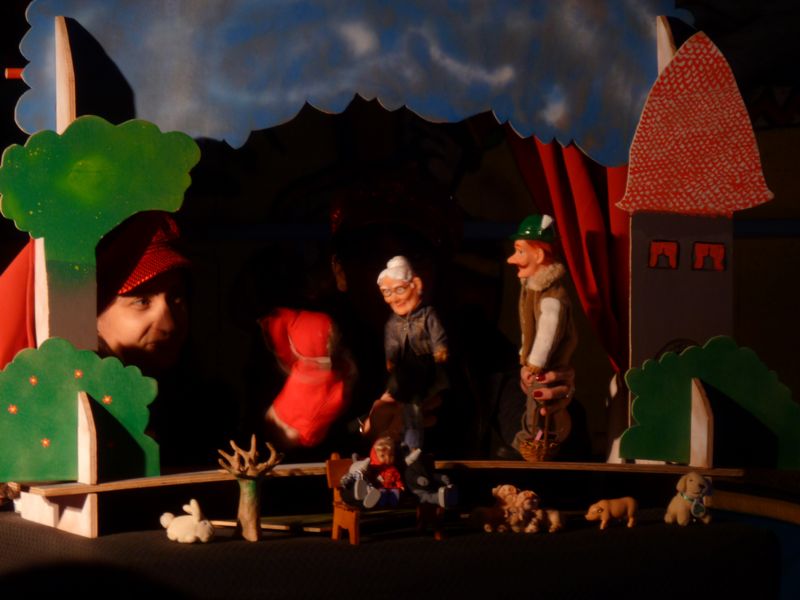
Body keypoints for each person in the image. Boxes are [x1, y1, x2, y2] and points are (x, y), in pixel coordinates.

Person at [505, 214, 577, 457]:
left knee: (541, 405)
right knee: (534, 403)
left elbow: (548, 329)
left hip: (545, 365)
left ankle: (539, 439)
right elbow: (529, 328)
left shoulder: (551, 295)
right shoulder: (531, 289)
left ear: (538, 255)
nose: (512, 259)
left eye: (520, 251)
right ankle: (533, 437)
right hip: (534, 366)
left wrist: (535, 360)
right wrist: (524, 354)